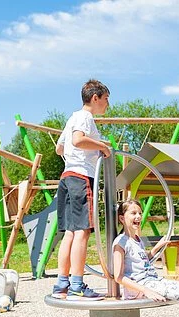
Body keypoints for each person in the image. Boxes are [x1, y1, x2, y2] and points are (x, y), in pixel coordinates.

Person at [52, 79, 113, 300]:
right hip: (80, 177)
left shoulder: (72, 119)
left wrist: (85, 150)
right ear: (95, 98)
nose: (107, 104)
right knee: (82, 232)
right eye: (106, 99)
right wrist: (102, 147)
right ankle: (77, 283)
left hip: (67, 176)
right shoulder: (85, 117)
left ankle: (62, 284)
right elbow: (78, 141)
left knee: (70, 232)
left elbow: (60, 148)